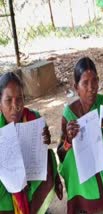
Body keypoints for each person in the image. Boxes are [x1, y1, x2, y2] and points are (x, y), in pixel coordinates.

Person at [57, 57, 103, 213]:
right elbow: (61, 154)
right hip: (85, 164)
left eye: (95, 81)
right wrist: (69, 141)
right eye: (85, 83)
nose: (91, 88)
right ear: (76, 87)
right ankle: (82, 201)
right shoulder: (70, 113)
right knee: (71, 157)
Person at [0, 72, 63, 213]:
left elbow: (44, 154)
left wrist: (44, 141)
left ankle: (39, 208)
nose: (15, 106)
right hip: (7, 187)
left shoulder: (33, 118)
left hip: (31, 177)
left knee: (48, 158)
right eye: (8, 100)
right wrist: (15, 181)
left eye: (20, 99)